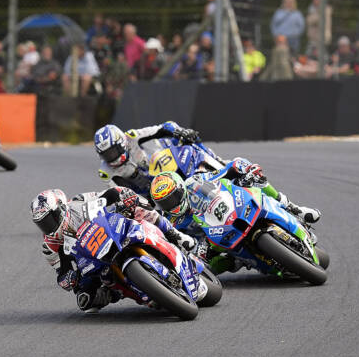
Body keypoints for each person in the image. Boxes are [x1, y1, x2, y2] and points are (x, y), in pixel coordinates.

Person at [30, 186, 196, 313]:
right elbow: (61, 272)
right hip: (90, 260)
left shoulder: (79, 201)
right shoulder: (50, 246)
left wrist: (124, 196)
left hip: (110, 230)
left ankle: (175, 235)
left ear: (61, 207)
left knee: (142, 211)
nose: (48, 226)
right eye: (42, 224)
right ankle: (121, 293)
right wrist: (68, 278)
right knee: (85, 301)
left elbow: (109, 194)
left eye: (50, 219)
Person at [149, 166, 321, 274]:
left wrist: (244, 169)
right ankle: (238, 261)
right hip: (215, 241)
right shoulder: (172, 221)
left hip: (233, 209)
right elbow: (180, 243)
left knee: (257, 183)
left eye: (173, 197)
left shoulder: (195, 182)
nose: (172, 204)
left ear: (181, 188)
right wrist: (196, 251)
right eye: (165, 203)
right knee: (208, 268)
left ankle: (293, 208)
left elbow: (225, 170)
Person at [94, 122, 202, 196]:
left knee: (187, 139)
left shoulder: (132, 136)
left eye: (113, 151)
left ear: (122, 142)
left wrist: (180, 131)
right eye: (106, 155)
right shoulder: (106, 173)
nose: (111, 157)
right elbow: (119, 195)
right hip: (148, 191)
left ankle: (208, 158)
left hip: (161, 165)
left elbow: (165, 127)